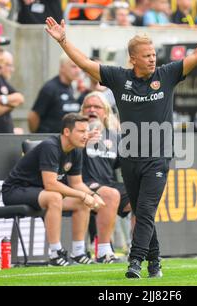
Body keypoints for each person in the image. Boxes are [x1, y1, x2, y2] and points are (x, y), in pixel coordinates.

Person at [45, 12, 197, 278]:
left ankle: (135, 262)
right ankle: (155, 262)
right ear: (133, 58)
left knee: (145, 211)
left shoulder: (167, 74)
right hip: (129, 158)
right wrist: (63, 41)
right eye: (147, 55)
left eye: (153, 54)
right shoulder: (118, 77)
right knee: (142, 212)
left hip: (157, 158)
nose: (153, 58)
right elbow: (86, 64)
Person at [2, 113, 105, 266]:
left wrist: (93, 195)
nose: (86, 136)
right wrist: (83, 195)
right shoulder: (50, 146)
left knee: (81, 203)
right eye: (81, 131)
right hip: (15, 191)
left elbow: (76, 183)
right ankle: (55, 254)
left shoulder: (76, 149)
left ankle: (78, 252)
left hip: (39, 192)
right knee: (55, 196)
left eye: (87, 131)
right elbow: (50, 184)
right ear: (67, 132)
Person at [80, 91, 132, 263]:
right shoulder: (75, 133)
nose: (91, 110)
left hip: (107, 184)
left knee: (140, 195)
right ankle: (103, 251)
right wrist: (81, 140)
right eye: (87, 106)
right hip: (81, 184)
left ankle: (136, 248)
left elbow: (125, 164)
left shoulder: (114, 137)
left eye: (97, 107)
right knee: (111, 194)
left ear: (106, 112)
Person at [28, 54, 82, 133]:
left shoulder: (71, 87)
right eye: (74, 67)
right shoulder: (50, 88)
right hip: (49, 139)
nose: (78, 71)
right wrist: (37, 136)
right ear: (62, 68)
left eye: (79, 67)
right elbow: (33, 116)